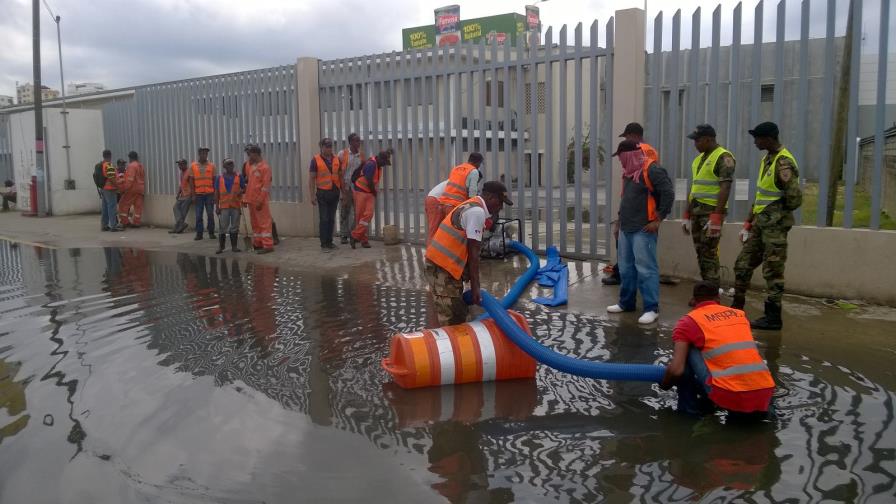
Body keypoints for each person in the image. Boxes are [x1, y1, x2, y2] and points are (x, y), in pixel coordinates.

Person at [660, 281, 775, 418]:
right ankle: (707, 402)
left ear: (694, 300)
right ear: (718, 299)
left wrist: (664, 385)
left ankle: (688, 412)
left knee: (687, 348)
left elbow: (676, 370)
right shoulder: (739, 315)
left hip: (731, 395)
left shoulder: (688, 322)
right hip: (765, 392)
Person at [732, 122, 802, 330]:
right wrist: (749, 221)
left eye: (758, 138)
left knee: (773, 271)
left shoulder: (784, 163)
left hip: (775, 228)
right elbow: (762, 194)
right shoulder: (768, 160)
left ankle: (773, 318)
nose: (755, 142)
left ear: (770, 138)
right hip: (760, 225)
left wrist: (777, 215)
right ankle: (736, 309)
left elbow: (794, 199)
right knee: (742, 264)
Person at [424, 181, 513, 326]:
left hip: (444, 265)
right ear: (489, 197)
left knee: (458, 312)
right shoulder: (476, 212)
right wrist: (476, 287)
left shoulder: (473, 204)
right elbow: (474, 253)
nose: (500, 207)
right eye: (499, 202)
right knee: (452, 318)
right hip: (441, 268)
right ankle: (445, 346)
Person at [606, 139, 674, 325]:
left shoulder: (652, 170)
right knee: (626, 268)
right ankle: (626, 303)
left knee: (646, 269)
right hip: (627, 228)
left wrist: (658, 219)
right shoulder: (629, 172)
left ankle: (652, 308)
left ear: (630, 155)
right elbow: (625, 198)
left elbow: (668, 193)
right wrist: (619, 221)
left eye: (621, 156)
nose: (619, 160)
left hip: (644, 229)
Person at [682, 124, 735, 301]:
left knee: (709, 255)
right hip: (697, 212)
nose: (695, 144)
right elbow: (694, 188)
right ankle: (705, 294)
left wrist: (716, 217)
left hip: (710, 213)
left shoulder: (723, 157)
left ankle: (711, 298)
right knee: (701, 254)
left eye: (697, 140)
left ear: (709, 139)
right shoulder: (699, 160)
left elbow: (725, 187)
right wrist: (686, 214)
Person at [604, 123, 661, 286]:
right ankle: (624, 279)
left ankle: (624, 278)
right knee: (630, 257)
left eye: (627, 136)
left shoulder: (640, 151)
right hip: (633, 209)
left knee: (642, 261)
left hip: (642, 213)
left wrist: (656, 218)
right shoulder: (648, 151)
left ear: (633, 135)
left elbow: (656, 186)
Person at [350, 150, 391, 249]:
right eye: (384, 163)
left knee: (368, 215)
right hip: (361, 191)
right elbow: (368, 180)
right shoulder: (371, 164)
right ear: (380, 159)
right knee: (360, 217)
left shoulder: (377, 164)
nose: (384, 165)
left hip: (369, 193)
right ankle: (363, 240)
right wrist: (374, 192)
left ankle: (355, 235)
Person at [241, 146, 279, 246]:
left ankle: (267, 245)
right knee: (255, 223)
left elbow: (265, 186)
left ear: (256, 154)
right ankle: (258, 243)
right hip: (251, 200)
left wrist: (260, 200)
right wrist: (245, 198)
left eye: (250, 154)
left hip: (259, 200)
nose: (248, 156)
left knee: (264, 222)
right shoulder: (252, 166)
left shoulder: (265, 168)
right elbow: (249, 184)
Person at [309, 137, 342, 250]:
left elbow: (340, 176)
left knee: (332, 218)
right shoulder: (315, 160)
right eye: (326, 146)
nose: (329, 149)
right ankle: (324, 244)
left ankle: (329, 241)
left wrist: (342, 192)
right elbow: (312, 178)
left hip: (334, 193)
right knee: (324, 218)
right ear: (321, 147)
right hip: (322, 193)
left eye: (330, 146)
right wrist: (312, 195)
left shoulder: (336, 159)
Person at [337, 133, 364, 244]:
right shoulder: (342, 154)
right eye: (356, 141)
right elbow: (338, 171)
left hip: (357, 189)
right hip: (346, 187)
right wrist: (342, 190)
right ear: (350, 142)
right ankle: (343, 235)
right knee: (344, 211)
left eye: (359, 141)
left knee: (358, 212)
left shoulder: (361, 155)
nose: (358, 143)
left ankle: (353, 234)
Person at [215, 158, 243, 254]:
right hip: (224, 206)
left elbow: (244, 188)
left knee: (235, 226)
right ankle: (221, 247)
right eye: (228, 164)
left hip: (235, 206)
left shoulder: (239, 176)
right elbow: (216, 193)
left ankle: (234, 247)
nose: (230, 166)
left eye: (231, 164)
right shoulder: (219, 178)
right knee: (223, 227)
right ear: (224, 166)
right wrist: (217, 207)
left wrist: (241, 191)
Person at [190, 147, 217, 241]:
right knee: (198, 215)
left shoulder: (212, 166)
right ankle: (199, 234)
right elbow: (191, 181)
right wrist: (193, 195)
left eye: (206, 153)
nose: (204, 155)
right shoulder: (193, 166)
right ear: (199, 154)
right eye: (202, 153)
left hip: (209, 194)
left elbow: (214, 181)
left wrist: (214, 195)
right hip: (198, 194)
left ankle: (211, 232)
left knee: (210, 214)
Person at [117, 151, 145, 228]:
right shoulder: (140, 166)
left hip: (132, 189)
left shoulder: (131, 166)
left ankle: (124, 221)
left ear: (130, 158)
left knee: (123, 204)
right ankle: (137, 222)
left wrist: (123, 189)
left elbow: (130, 180)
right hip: (140, 189)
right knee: (138, 207)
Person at [92, 150, 114, 229]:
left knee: (105, 207)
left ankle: (104, 225)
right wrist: (117, 185)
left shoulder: (100, 165)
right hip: (110, 189)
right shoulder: (108, 165)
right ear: (110, 156)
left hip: (102, 188)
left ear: (103, 155)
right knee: (111, 207)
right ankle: (113, 226)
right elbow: (111, 178)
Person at [169, 159, 192, 234]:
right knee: (175, 207)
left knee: (183, 212)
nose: (179, 166)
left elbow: (192, 185)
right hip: (182, 195)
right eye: (179, 165)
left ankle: (177, 227)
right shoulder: (181, 173)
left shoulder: (189, 172)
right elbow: (181, 184)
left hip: (188, 195)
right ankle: (181, 225)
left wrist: (193, 196)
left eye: (181, 164)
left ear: (185, 164)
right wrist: (178, 193)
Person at [425, 179, 449, 244]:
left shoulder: (454, 179)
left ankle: (433, 251)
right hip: (435, 201)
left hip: (432, 199)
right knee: (434, 230)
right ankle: (430, 252)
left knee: (435, 229)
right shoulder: (457, 182)